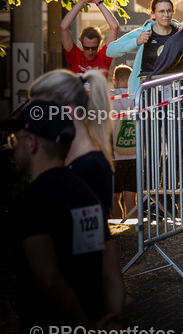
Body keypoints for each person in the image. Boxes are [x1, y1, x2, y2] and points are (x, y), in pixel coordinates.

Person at [6, 98, 124, 332]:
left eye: (14, 139)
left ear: (31, 143)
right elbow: (111, 274)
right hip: (96, 317)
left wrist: (85, 325)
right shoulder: (86, 194)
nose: (12, 147)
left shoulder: (31, 200)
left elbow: (49, 280)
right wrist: (110, 319)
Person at [30, 68, 115, 221]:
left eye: (40, 113)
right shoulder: (75, 161)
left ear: (67, 112)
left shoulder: (89, 168)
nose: (35, 122)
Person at [106, 0, 180, 92]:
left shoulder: (180, 33)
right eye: (161, 11)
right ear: (153, 14)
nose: (166, 15)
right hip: (148, 92)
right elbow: (110, 51)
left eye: (169, 11)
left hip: (176, 92)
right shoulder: (144, 32)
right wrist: (136, 41)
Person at [60, 0, 119, 76]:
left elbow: (114, 27)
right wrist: (82, 1)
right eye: (87, 48)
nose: (90, 52)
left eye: (94, 48)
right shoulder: (75, 56)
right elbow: (63, 27)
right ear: (82, 45)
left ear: (99, 44)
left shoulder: (104, 56)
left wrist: (98, 2)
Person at [111, 64, 137, 221]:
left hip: (115, 155)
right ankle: (132, 231)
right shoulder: (137, 97)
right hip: (135, 154)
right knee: (131, 199)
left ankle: (117, 224)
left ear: (114, 80)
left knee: (113, 198)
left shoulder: (110, 98)